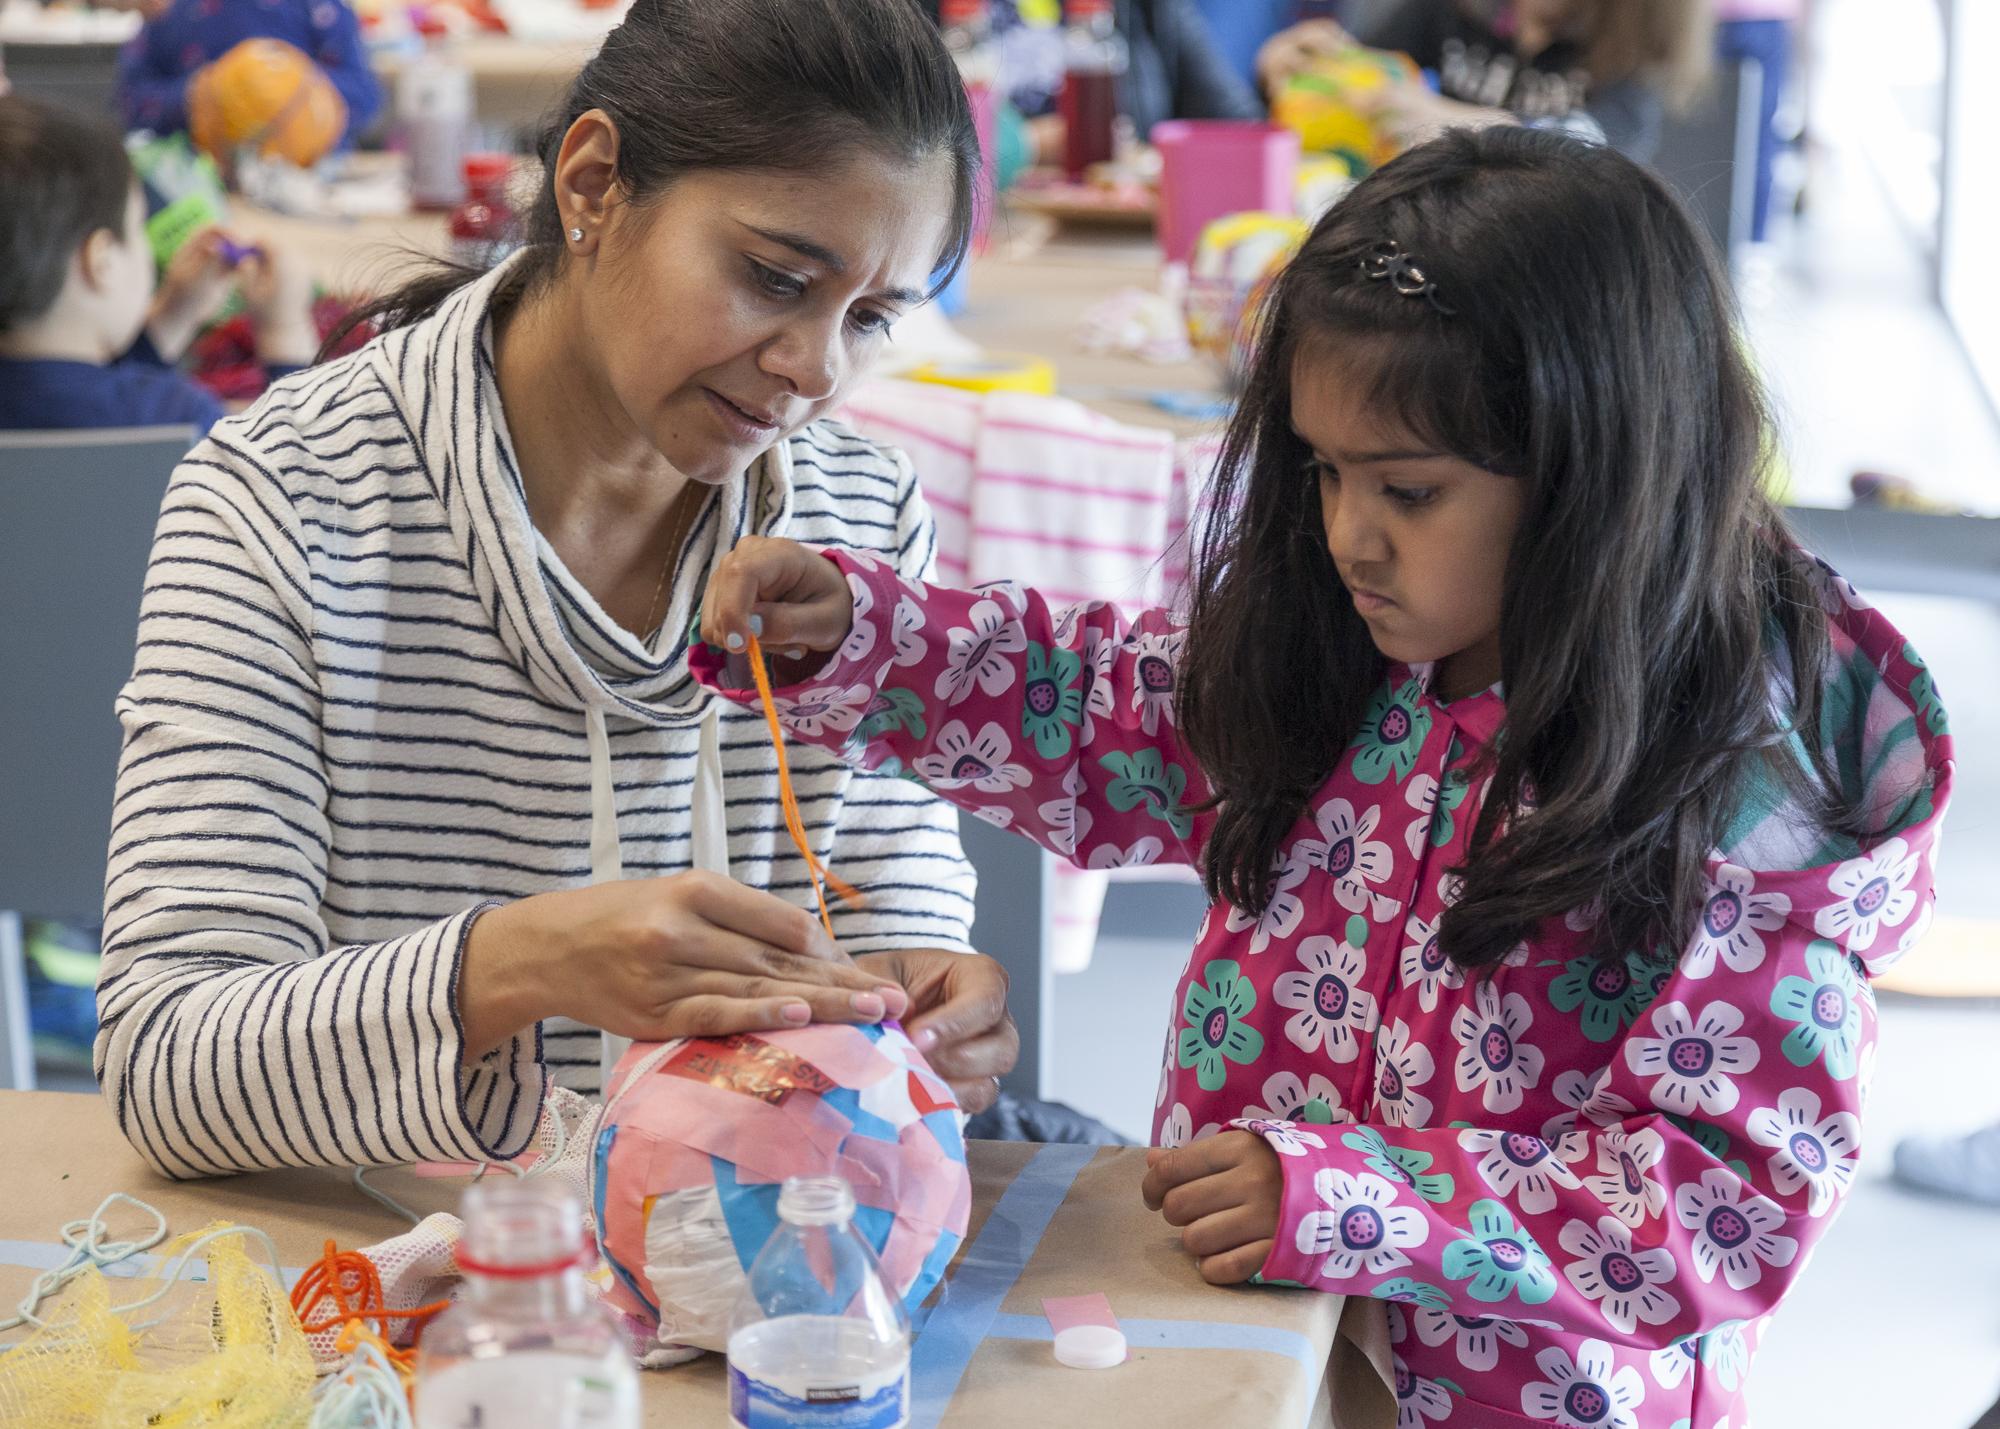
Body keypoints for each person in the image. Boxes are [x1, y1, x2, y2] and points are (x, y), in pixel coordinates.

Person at [694, 128, 1953, 1426]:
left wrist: (1358, 1198)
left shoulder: (1735, 789)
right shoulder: (1352, 649)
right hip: (1267, 1343)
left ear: (1597, 472)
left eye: (1409, 490)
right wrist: (867, 638)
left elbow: (1721, 1205)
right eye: (1322, 471)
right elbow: (1111, 718)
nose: (1350, 534)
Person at [95, 0, 1016, 1183]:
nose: (815, 369)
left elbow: (894, 909)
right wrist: (515, 965)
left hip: (744, 1275)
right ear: (589, 185)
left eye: (874, 317)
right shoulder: (285, 500)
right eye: (775, 277)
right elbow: (166, 1060)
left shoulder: (856, 519)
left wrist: (931, 995)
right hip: (391, 1289)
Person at [0, 95, 318, 435]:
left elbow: (64, 390)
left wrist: (170, 319)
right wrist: (285, 333)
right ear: (101, 262)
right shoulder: (176, 416)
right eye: (138, 227)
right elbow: (296, 471)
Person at [1261, 0, 1715, 162]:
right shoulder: (1455, 10)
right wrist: (1304, 64)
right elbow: (1373, 70)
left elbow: (1594, 143)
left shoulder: (1636, 45)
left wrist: (1445, 117)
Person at [117, 0, 382, 148]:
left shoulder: (320, 7)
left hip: (315, 186)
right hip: (202, 189)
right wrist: (194, 95)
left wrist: (295, 86)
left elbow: (366, 95)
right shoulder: (169, 12)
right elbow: (129, 104)